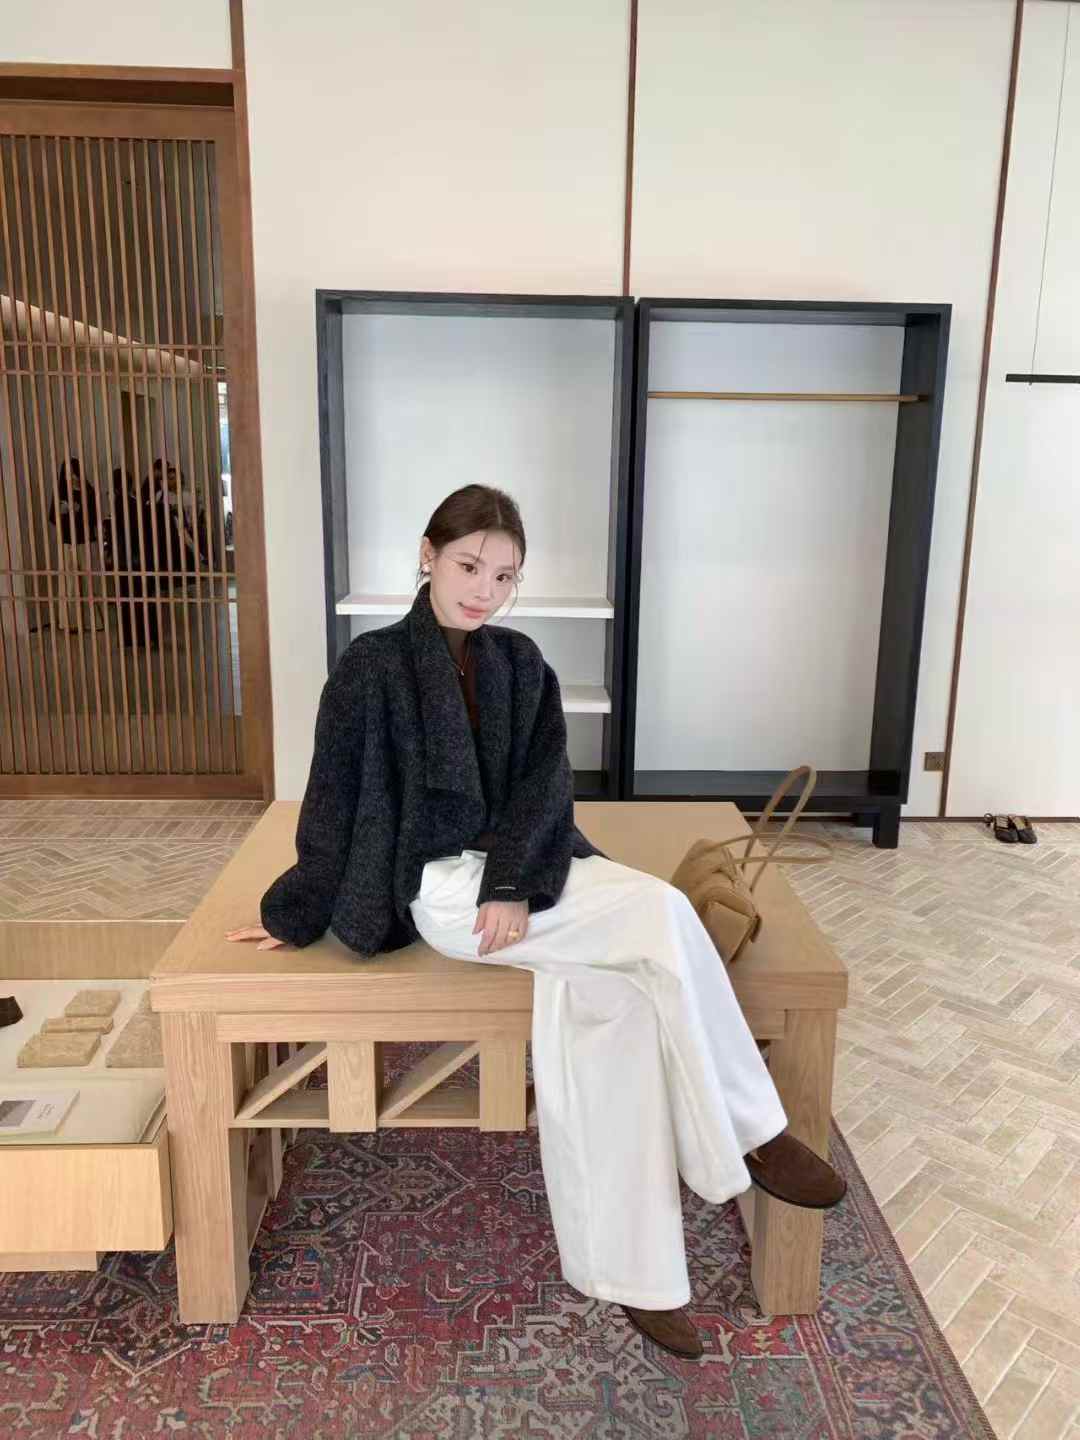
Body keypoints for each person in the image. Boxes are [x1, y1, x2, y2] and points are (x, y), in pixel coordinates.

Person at [227, 484, 845, 1360]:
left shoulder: (522, 663)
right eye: (469, 566)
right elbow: (331, 802)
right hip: (444, 892)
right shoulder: (372, 666)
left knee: (616, 1007)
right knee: (663, 912)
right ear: (428, 556)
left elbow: (547, 785)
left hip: (531, 878)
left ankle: (638, 1278)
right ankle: (754, 1134)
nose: (485, 590)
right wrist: (293, 915)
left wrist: (516, 880)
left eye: (505, 576)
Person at [47, 456, 105, 633]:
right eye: (67, 474)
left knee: (89, 582)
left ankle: (93, 622)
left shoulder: (88, 491)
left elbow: (96, 517)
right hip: (67, 542)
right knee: (69, 584)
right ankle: (70, 623)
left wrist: (80, 509)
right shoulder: (60, 492)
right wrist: (62, 511)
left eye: (73, 473)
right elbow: (52, 517)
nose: (70, 477)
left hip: (86, 541)